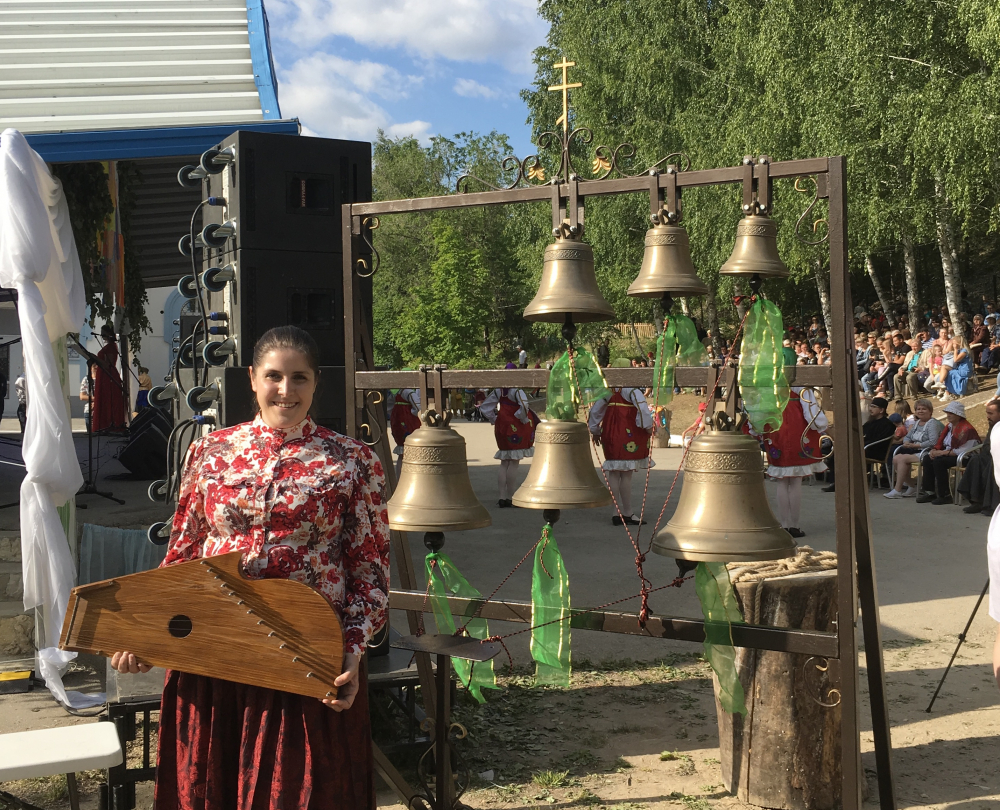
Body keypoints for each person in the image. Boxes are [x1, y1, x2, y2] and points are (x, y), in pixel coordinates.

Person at [110, 325, 389, 810]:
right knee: (206, 791)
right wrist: (151, 632)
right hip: (213, 650)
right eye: (274, 376)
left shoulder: (352, 461)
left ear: (316, 382)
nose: (286, 390)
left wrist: (351, 652)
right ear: (252, 379)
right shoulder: (209, 452)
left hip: (304, 656)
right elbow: (181, 554)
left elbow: (370, 575)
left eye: (299, 378)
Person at [759, 388, 828, 537]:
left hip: (776, 430)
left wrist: (756, 429)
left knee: (782, 482)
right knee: (795, 482)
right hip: (799, 430)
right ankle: (794, 525)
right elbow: (811, 413)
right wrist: (821, 425)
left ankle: (784, 525)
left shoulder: (770, 383)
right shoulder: (801, 387)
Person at [588, 387, 655, 525]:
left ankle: (615, 512)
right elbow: (643, 411)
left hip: (610, 433)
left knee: (614, 472)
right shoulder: (632, 391)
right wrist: (648, 427)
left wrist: (594, 429)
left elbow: (595, 411)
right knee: (626, 474)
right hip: (628, 432)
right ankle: (628, 512)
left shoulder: (608, 391)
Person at [479, 386, 538, 507]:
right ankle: (512, 496)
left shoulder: (498, 390)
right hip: (516, 425)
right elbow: (524, 406)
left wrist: (493, 418)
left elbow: (485, 407)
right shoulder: (517, 390)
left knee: (504, 462)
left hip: (502, 425)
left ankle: (501, 496)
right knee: (514, 462)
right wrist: (521, 418)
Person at [822, 397, 896, 493]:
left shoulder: (887, 424)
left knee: (845, 453)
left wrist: (860, 444)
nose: (870, 409)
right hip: (863, 448)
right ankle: (838, 482)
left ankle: (841, 484)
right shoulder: (870, 422)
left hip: (874, 451)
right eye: (870, 406)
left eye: (874, 407)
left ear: (881, 410)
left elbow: (879, 442)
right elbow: (860, 433)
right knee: (834, 453)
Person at [916, 401, 980, 505]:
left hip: (965, 457)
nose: (948, 415)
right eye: (947, 412)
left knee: (939, 462)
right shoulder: (949, 426)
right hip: (949, 453)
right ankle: (929, 492)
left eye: (952, 413)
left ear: (959, 415)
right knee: (928, 459)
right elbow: (941, 442)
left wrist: (942, 453)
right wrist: (935, 450)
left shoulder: (967, 429)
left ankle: (945, 494)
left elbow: (963, 450)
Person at [884, 399, 942, 498]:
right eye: (918, 409)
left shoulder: (932, 424)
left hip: (928, 452)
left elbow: (933, 442)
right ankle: (912, 485)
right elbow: (908, 436)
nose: (920, 411)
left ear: (930, 411)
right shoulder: (917, 423)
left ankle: (897, 490)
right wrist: (906, 442)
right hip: (915, 450)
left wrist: (917, 445)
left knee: (901, 458)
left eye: (924, 409)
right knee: (896, 458)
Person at [957, 399, 1000, 515]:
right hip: (989, 455)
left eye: (991, 413)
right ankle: (976, 501)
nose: (988, 416)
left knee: (992, 465)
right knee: (976, 460)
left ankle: (992, 505)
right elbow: (987, 445)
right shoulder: (993, 426)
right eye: (987, 413)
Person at [91, 323, 128, 432]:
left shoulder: (112, 347)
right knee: (104, 399)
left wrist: (95, 358)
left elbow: (109, 364)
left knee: (108, 400)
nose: (102, 336)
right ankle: (103, 425)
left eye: (103, 334)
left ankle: (108, 424)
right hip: (104, 376)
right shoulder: (109, 347)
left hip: (108, 376)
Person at [389, 385, 420, 478]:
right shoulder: (409, 392)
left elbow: (389, 407)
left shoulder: (397, 393)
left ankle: (400, 478)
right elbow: (418, 408)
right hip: (409, 422)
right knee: (412, 448)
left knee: (402, 453)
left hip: (397, 422)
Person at [80, 364, 96, 431]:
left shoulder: (104, 380)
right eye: (95, 368)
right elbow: (82, 396)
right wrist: (95, 399)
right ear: (91, 369)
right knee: (90, 432)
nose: (96, 370)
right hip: (89, 410)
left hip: (101, 410)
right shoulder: (86, 379)